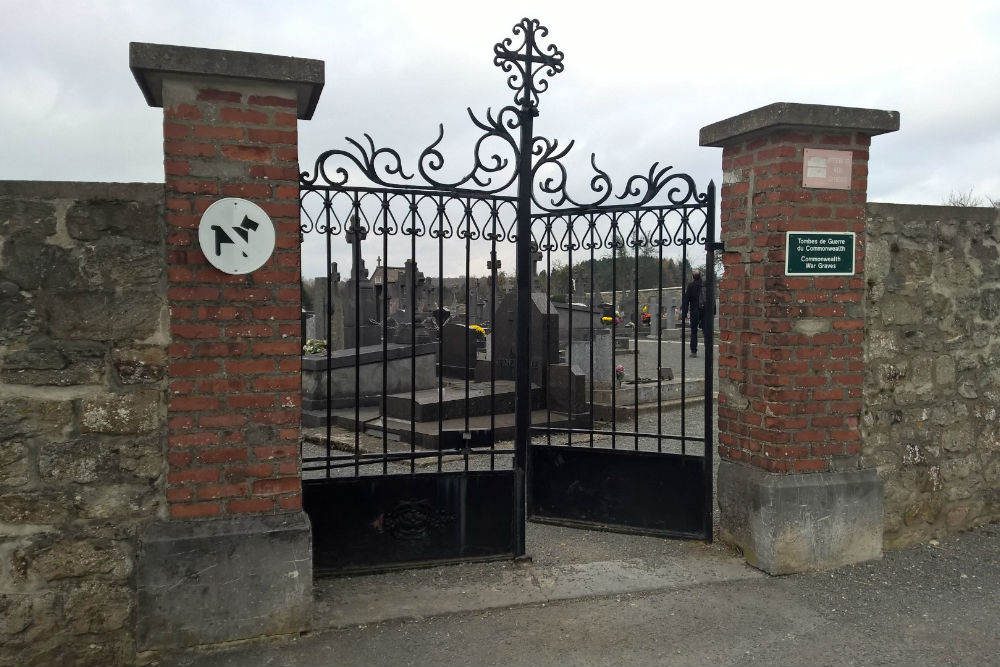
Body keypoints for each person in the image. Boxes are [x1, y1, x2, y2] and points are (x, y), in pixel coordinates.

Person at [681, 269, 707, 357]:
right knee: (706, 331)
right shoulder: (705, 285)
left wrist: (684, 313)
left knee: (694, 331)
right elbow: (711, 298)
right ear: (700, 276)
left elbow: (686, 300)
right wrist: (713, 311)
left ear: (693, 277)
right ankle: (708, 350)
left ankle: (693, 351)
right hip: (705, 310)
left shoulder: (691, 286)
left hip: (694, 310)